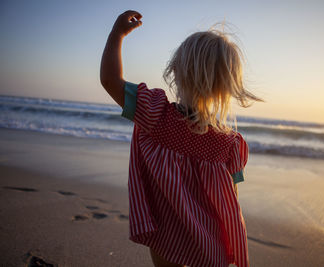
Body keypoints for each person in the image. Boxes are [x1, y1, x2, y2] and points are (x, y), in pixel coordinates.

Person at [100, 10, 262, 267]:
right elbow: (233, 194)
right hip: (208, 242)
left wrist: (116, 34)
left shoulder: (155, 114)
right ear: (225, 87)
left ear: (176, 70)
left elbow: (109, 80)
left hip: (167, 233)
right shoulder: (230, 145)